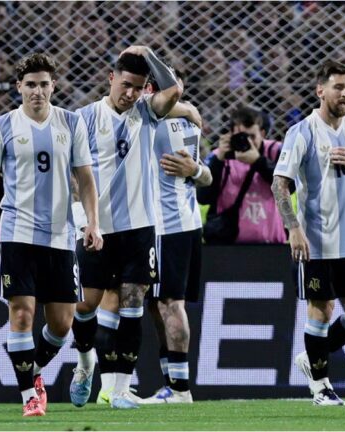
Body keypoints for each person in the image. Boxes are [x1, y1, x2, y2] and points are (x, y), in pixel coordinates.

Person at [0, 53, 103, 417]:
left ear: (53, 86)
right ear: (19, 87)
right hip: (17, 234)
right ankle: (29, 395)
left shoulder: (71, 122)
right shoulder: (1, 127)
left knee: (61, 325)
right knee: (22, 314)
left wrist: (92, 223)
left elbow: (85, 178)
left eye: (44, 84)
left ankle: (33, 370)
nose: (37, 91)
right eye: (30, 85)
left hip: (60, 236)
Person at [69, 45, 183, 410]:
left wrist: (147, 53)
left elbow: (174, 90)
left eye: (139, 87)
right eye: (126, 85)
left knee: (132, 305)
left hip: (139, 227)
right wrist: (83, 220)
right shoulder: (84, 118)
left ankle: (118, 390)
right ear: (111, 78)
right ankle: (84, 361)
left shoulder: (147, 113)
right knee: (85, 305)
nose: (131, 93)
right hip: (97, 229)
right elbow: (73, 177)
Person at [271, 60, 345, 406]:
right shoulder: (302, 132)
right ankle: (320, 387)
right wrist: (293, 228)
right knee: (322, 309)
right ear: (320, 90)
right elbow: (279, 184)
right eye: (338, 87)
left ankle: (312, 356)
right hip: (315, 244)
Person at [140, 71, 212, 404]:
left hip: (164, 226)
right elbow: (206, 175)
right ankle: (172, 382)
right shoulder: (189, 122)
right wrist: (195, 170)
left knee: (169, 304)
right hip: (187, 224)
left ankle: (180, 388)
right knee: (160, 304)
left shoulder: (152, 121)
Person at [197, 107, 286, 245]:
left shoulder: (275, 151)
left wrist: (258, 161)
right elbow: (203, 197)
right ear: (231, 134)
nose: (247, 142)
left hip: (271, 241)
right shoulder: (219, 155)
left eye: (252, 136)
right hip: (228, 242)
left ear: (262, 133)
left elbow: (289, 187)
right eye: (242, 136)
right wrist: (218, 161)